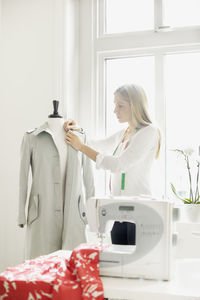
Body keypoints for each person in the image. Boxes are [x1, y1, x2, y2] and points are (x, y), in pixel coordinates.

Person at [63, 83, 161, 245]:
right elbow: (99, 145)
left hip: (140, 213)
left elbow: (118, 165)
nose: (115, 110)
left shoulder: (149, 132)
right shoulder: (125, 133)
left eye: (120, 105)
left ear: (135, 106)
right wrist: (78, 131)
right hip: (120, 213)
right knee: (119, 265)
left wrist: (81, 146)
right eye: (115, 105)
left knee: (134, 267)